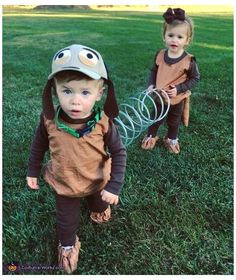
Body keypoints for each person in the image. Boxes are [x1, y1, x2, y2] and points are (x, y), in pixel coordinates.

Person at [26, 44, 127, 274]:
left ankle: (98, 206)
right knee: (66, 222)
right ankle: (68, 245)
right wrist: (32, 170)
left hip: (97, 181)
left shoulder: (103, 122)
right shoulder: (49, 121)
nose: (75, 102)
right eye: (67, 91)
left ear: (99, 93)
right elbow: (38, 146)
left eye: (85, 92)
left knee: (99, 206)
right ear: (55, 90)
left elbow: (119, 152)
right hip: (66, 183)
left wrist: (114, 186)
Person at [141, 7, 200, 153]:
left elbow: (195, 78)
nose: (174, 40)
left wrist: (179, 89)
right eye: (171, 35)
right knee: (155, 118)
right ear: (164, 36)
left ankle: (171, 139)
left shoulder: (189, 60)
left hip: (176, 99)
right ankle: (151, 136)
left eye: (180, 37)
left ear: (187, 39)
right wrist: (151, 84)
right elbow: (154, 71)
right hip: (159, 97)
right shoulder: (160, 54)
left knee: (173, 122)